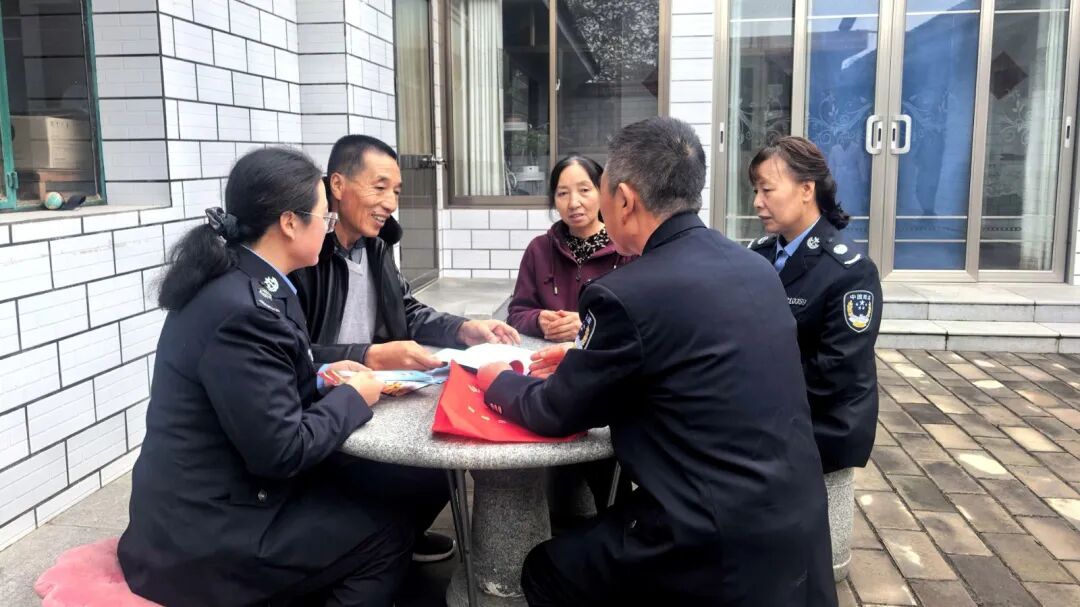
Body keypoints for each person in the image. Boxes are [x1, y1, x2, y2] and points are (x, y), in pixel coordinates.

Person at [477, 117, 837, 606]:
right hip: (797, 525)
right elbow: (686, 355)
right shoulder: (753, 267)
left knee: (546, 568)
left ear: (624, 200)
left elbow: (556, 410)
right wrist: (587, 356)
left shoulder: (624, 293)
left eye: (598, 191)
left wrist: (497, 380)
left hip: (708, 545)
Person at [119, 147, 417, 606]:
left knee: (385, 486)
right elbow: (282, 451)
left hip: (198, 509)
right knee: (387, 533)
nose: (329, 227)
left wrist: (321, 375)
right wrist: (355, 396)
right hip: (201, 540)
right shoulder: (245, 310)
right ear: (290, 223)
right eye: (324, 217)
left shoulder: (245, 281)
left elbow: (264, 376)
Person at [288, 134, 520, 561]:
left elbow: (406, 310)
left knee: (442, 463)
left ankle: (397, 537)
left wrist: (464, 329)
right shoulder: (304, 255)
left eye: (396, 191)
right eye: (379, 187)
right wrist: (367, 355)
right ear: (337, 185)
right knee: (412, 472)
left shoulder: (377, 246)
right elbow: (290, 351)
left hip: (377, 388)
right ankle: (380, 545)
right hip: (321, 401)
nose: (390, 203)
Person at [748, 136, 882, 580]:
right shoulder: (760, 255)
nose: (757, 202)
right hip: (774, 409)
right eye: (756, 190)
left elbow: (836, 370)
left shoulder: (849, 271)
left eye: (768, 190)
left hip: (823, 419)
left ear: (807, 189)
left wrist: (754, 398)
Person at [507, 155, 635, 341]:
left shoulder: (627, 249)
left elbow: (644, 319)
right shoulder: (539, 249)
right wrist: (538, 320)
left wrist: (590, 327)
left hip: (604, 357)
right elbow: (517, 314)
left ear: (602, 193)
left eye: (584, 190)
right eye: (563, 193)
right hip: (547, 355)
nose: (574, 203)